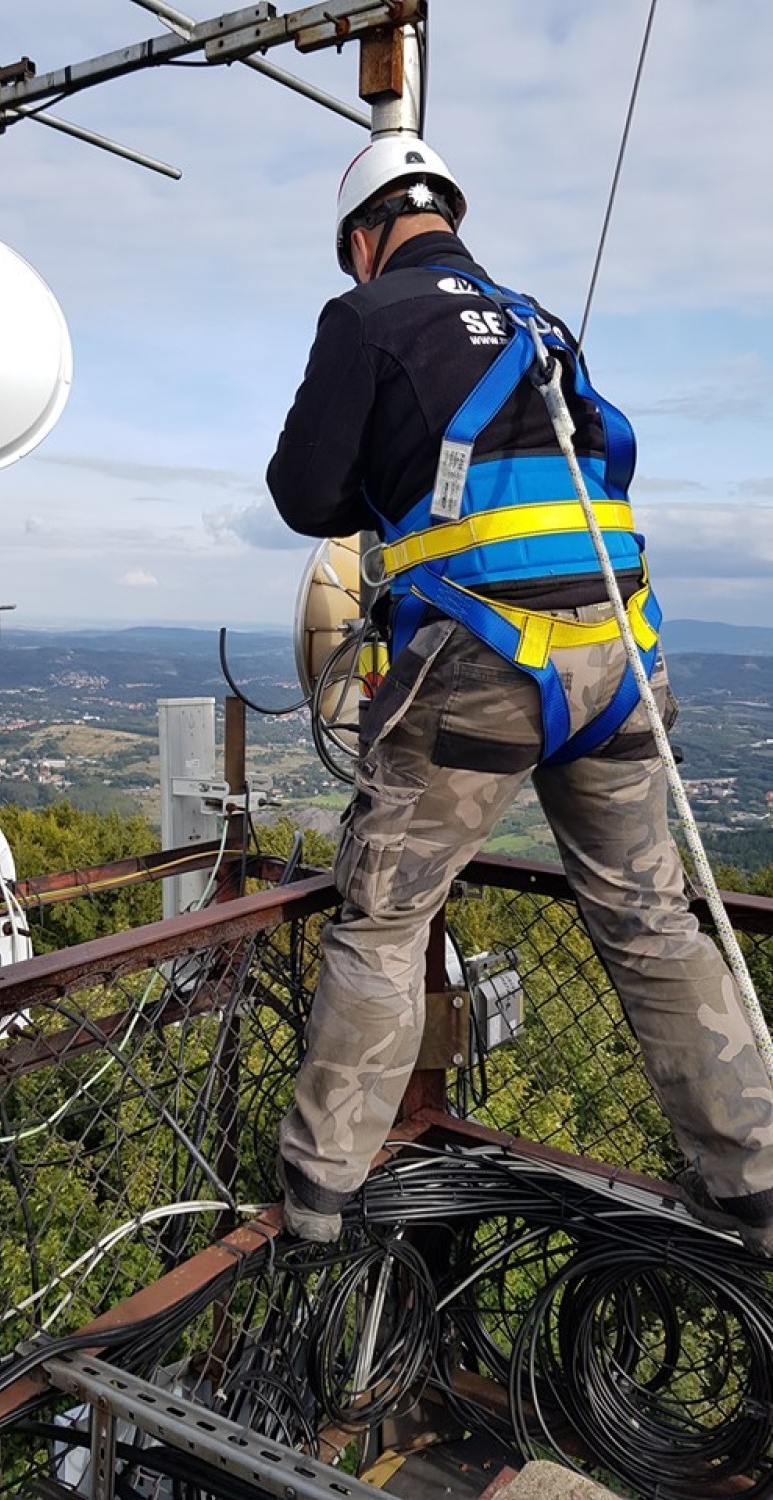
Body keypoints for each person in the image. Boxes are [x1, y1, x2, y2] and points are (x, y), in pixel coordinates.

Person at [266, 137, 773, 1250]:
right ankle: (752, 1180)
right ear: (446, 214)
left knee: (388, 916)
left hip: (481, 664)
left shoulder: (364, 316)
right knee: (650, 917)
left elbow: (304, 492)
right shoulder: (540, 321)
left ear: (362, 241)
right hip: (617, 655)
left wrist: (381, 489)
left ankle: (319, 1191)